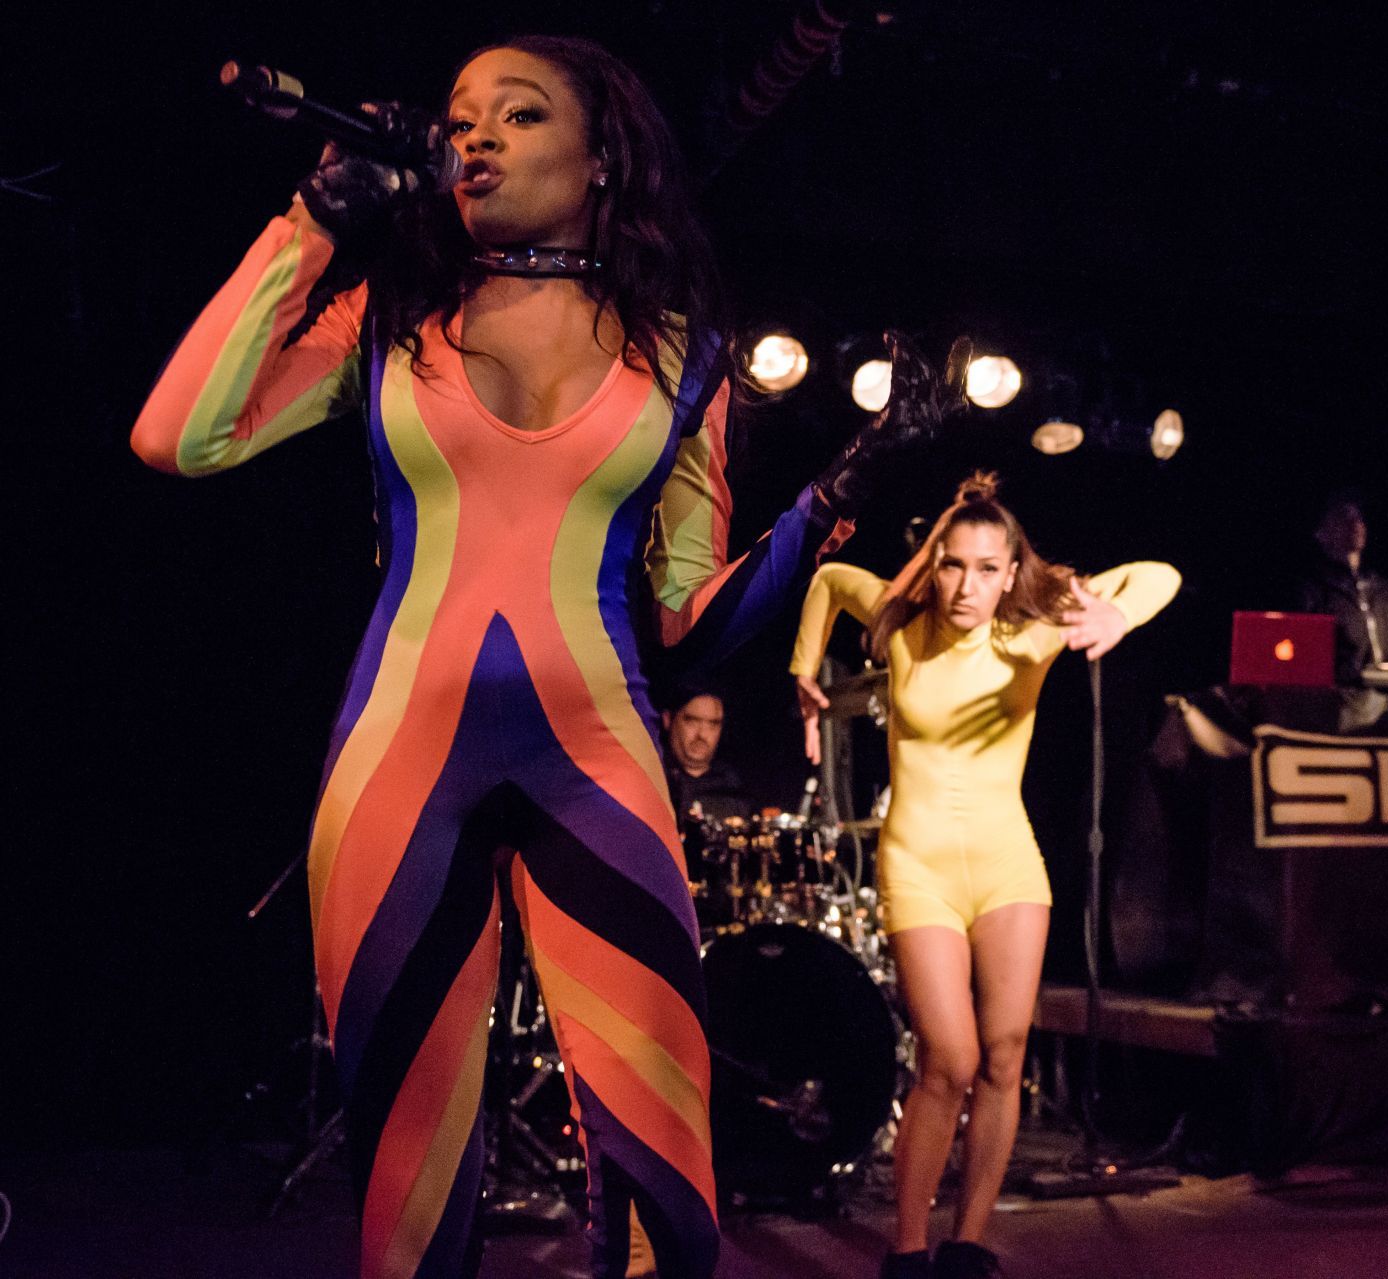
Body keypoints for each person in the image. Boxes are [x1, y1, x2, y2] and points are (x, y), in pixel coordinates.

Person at [131, 35, 958, 1279]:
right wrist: (305, 223)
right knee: (410, 1189)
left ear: (603, 160)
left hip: (597, 762)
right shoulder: (389, 323)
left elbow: (695, 623)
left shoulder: (683, 353)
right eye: (461, 118)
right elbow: (175, 435)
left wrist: (840, 490)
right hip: (397, 768)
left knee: (666, 1180)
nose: (473, 138)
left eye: (517, 116)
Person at [790, 474, 1179, 1279]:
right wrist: (804, 671)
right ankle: (906, 1250)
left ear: (1010, 574)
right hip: (918, 861)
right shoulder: (900, 627)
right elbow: (828, 579)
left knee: (1004, 1053)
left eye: (985, 568)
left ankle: (966, 1245)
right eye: (952, 564)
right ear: (934, 566)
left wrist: (1117, 612)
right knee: (950, 1057)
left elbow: (1160, 574)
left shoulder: (1029, 635)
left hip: (1007, 862)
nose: (966, 584)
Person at [1289, 489, 1388, 685]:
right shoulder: (1313, 589)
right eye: (1344, 517)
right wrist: (1356, 672)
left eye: (1358, 517)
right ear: (1321, 532)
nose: (1355, 524)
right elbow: (1305, 656)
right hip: (1343, 694)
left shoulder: (1380, 588)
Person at [661, 687, 752, 825]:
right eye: (692, 721)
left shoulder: (736, 787)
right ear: (668, 719)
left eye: (713, 724)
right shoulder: (652, 780)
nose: (702, 735)